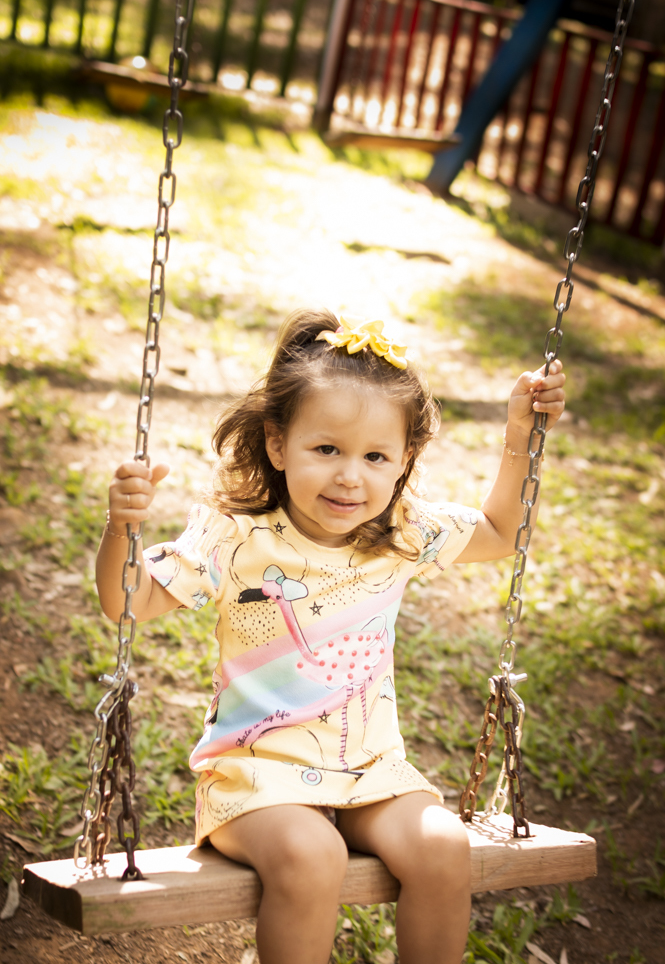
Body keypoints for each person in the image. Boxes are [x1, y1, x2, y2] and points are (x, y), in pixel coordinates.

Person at [96, 310, 566, 964]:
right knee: (310, 855)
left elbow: (499, 531)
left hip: (369, 772)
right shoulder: (235, 538)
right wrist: (123, 528)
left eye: (375, 456)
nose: (351, 476)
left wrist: (520, 436)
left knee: (441, 846)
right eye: (327, 450)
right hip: (258, 776)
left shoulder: (401, 536)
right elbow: (128, 603)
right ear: (277, 443)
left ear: (403, 462)